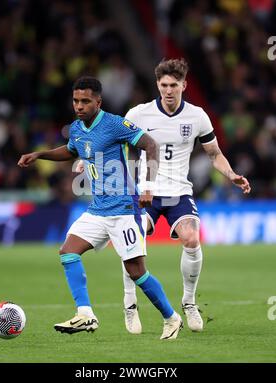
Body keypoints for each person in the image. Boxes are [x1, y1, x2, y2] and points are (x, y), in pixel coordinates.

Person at [77, 58, 251, 335]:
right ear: (157, 85)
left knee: (192, 238)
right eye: (163, 85)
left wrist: (231, 175)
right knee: (132, 238)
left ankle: (189, 303)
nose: (168, 90)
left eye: (173, 85)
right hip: (146, 191)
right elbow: (111, 139)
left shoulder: (197, 116)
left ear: (184, 85)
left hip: (179, 192)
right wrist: (88, 159)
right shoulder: (139, 114)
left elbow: (214, 154)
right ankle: (130, 303)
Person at [18, 76, 183, 340]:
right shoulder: (76, 128)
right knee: (68, 252)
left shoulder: (115, 124)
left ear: (98, 101)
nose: (79, 106)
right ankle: (85, 314)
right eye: (75, 101)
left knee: (137, 273)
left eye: (85, 101)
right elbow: (72, 150)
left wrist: (149, 186)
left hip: (123, 210)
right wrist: (40, 154)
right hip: (97, 210)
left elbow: (150, 145)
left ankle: (171, 318)